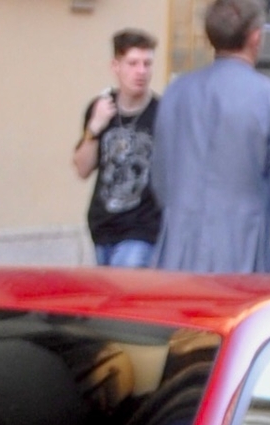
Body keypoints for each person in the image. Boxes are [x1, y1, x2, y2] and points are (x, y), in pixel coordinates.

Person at [149, 0, 270, 276]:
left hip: (178, 253)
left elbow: (161, 179)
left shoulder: (176, 91)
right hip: (246, 255)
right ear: (255, 37)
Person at [73, 30, 164, 269]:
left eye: (147, 63)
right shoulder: (100, 107)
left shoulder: (162, 112)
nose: (141, 71)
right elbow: (82, 168)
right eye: (133, 63)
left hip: (143, 229)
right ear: (116, 66)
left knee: (123, 289)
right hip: (103, 227)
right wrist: (94, 127)